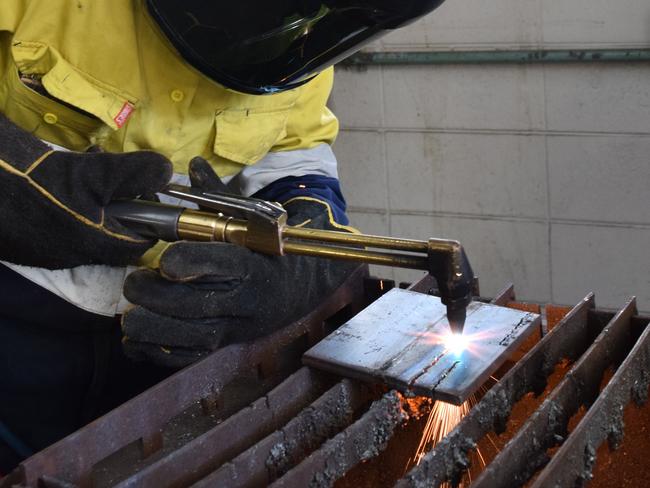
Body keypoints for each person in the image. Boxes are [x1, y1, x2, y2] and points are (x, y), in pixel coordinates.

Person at [0, 0, 445, 471]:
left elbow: (294, 152)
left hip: (164, 333)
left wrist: (306, 231)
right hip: (16, 318)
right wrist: (14, 180)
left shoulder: (309, 31)